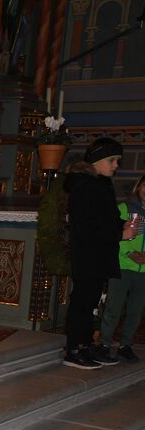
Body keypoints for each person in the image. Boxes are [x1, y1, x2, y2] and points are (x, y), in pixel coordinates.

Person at [63, 137, 124, 369]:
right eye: (112, 160)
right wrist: (119, 233)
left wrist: (122, 226)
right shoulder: (84, 186)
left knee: (91, 303)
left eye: (117, 161)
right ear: (97, 161)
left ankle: (87, 346)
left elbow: (108, 218)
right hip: (88, 254)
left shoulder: (102, 184)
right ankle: (73, 349)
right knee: (82, 301)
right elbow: (88, 224)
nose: (116, 165)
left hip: (99, 254)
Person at [96, 173, 145, 363]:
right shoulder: (124, 208)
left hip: (143, 270)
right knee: (113, 308)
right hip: (123, 265)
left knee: (135, 311)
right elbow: (113, 234)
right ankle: (104, 343)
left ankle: (126, 345)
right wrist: (130, 253)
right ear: (139, 187)